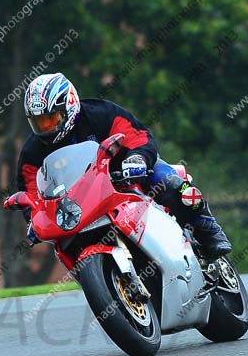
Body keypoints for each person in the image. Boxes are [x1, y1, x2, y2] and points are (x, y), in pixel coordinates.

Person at [16, 72, 231, 261]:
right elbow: (30, 192)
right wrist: (35, 218)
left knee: (171, 184)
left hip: (127, 172)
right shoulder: (32, 152)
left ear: (69, 106)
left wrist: (137, 159)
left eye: (51, 119)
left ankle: (209, 230)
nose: (46, 128)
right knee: (65, 240)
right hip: (81, 200)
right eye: (39, 122)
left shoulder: (100, 114)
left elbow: (136, 135)